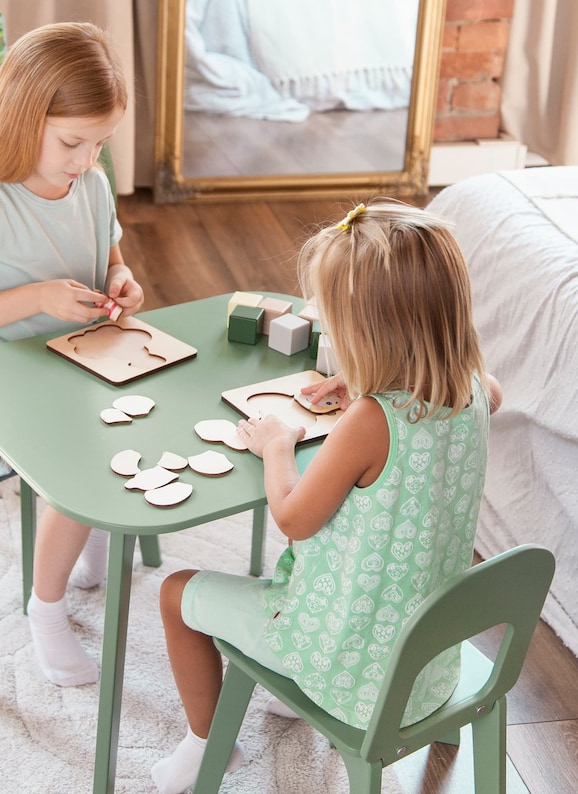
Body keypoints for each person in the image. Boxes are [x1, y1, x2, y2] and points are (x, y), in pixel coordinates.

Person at [150, 200, 503, 793]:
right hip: (430, 660)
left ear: (371, 333)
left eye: (335, 326)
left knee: (173, 594)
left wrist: (277, 445)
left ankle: (206, 742)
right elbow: (489, 393)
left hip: (350, 667)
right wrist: (373, 377)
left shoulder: (370, 421)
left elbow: (293, 518)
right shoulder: (472, 385)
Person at [0, 22, 144, 687]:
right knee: (81, 466)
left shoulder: (94, 184)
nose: (86, 159)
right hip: (6, 371)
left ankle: (90, 526)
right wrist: (37, 298)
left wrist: (120, 280)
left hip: (83, 353)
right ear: (28, 117)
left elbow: (109, 256)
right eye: (73, 142)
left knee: (150, 414)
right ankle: (44, 608)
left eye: (100, 143)